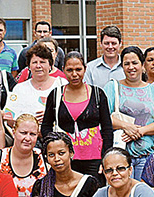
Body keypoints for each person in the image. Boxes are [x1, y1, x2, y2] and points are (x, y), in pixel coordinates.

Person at [41, 52, 114, 181]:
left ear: (85, 69)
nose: (74, 74)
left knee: (94, 190)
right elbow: (46, 126)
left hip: (95, 158)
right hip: (65, 160)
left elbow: (107, 128)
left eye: (78, 69)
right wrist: (53, 148)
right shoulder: (56, 95)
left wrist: (106, 157)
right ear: (63, 70)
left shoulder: (98, 94)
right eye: (70, 70)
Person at [106, 46, 154, 180]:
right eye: (126, 64)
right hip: (118, 159)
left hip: (145, 157)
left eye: (135, 63)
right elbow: (104, 117)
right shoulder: (112, 87)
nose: (131, 67)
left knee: (141, 191)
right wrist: (126, 126)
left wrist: (140, 131)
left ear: (142, 65)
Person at [0, 114, 47, 197]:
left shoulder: (44, 158)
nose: (27, 138)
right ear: (14, 132)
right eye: (23, 133)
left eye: (32, 134)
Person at [5, 44, 65, 129]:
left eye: (42, 62)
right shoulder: (20, 89)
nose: (38, 66)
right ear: (29, 66)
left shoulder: (62, 85)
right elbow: (10, 119)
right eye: (34, 62)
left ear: (50, 65)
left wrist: (50, 117)